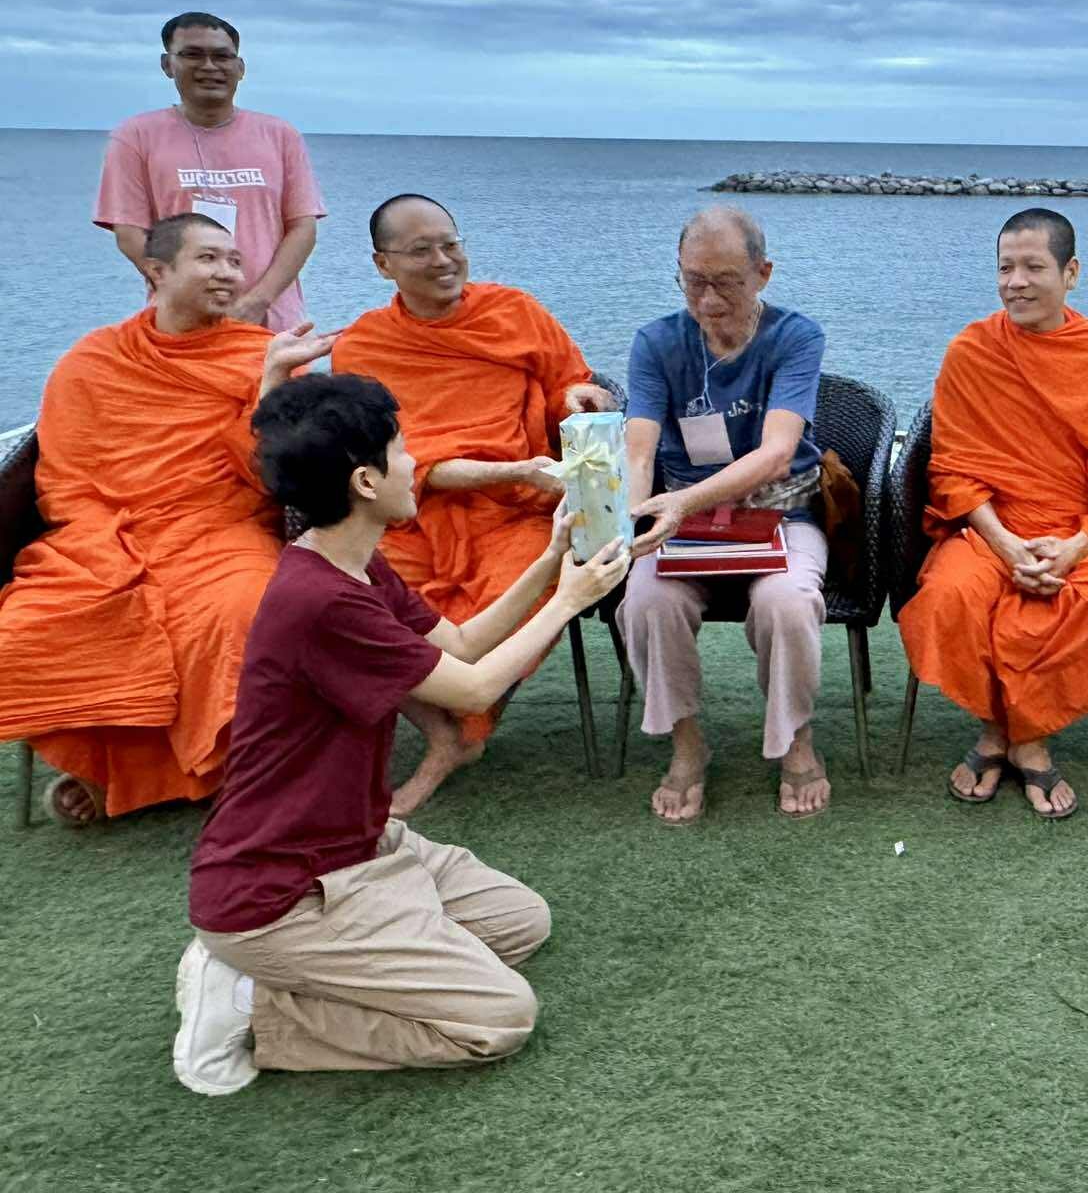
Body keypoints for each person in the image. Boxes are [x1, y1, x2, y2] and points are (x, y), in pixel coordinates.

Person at [173, 372, 628, 1096]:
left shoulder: (353, 564)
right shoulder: (320, 601)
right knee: (501, 1018)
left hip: (362, 845)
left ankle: (367, 942)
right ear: (365, 480)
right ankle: (254, 1006)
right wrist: (568, 602)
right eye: (402, 449)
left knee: (520, 924)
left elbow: (464, 645)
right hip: (282, 890)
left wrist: (550, 563)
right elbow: (473, 691)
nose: (416, 463)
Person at [0, 213, 332, 823]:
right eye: (208, 259)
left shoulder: (265, 355)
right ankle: (115, 768)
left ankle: (239, 770)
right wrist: (108, 538)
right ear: (157, 270)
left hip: (222, 527)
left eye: (235, 261)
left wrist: (270, 385)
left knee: (242, 609)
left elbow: (277, 477)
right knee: (28, 624)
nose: (228, 273)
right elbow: (65, 480)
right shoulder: (92, 361)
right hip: (105, 535)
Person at [329, 194, 613, 814]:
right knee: (352, 607)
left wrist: (576, 399)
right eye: (421, 250)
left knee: (518, 595)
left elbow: (567, 384)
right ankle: (444, 734)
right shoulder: (363, 346)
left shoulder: (515, 311)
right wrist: (511, 468)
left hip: (516, 511)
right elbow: (386, 457)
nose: (442, 260)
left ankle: (464, 726)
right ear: (383, 265)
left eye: (451, 244)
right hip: (411, 515)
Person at [897, 208, 1088, 819]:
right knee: (950, 596)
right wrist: (1007, 545)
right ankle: (1017, 736)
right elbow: (952, 468)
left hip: (1083, 532)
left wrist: (1078, 546)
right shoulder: (972, 351)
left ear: (1071, 273)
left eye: (1033, 267)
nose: (1015, 282)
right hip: (990, 529)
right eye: (1005, 268)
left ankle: (1011, 737)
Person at [620, 206, 831, 824]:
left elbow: (778, 453)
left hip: (782, 511)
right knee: (646, 600)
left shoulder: (795, 336)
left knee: (787, 602)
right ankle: (687, 744)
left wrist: (683, 501)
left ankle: (796, 740)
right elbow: (639, 448)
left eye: (726, 283)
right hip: (682, 520)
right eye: (693, 282)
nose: (708, 301)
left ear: (763, 274)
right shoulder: (656, 342)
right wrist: (631, 520)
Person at [95, 12, 327, 332]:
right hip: (182, 321)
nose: (209, 66)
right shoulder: (135, 137)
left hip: (271, 321)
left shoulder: (280, 135)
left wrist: (257, 301)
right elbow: (130, 233)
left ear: (240, 68)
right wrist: (191, 297)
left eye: (222, 56)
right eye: (192, 55)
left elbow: (302, 228)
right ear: (167, 64)